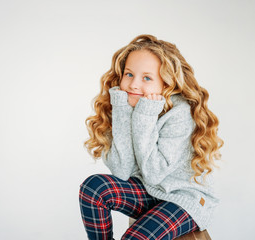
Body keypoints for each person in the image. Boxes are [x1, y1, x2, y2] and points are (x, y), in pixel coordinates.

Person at [79, 34, 223, 240]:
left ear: (167, 83)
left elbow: (154, 173)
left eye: (147, 78)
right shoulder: (124, 106)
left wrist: (145, 115)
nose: (133, 85)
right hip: (148, 192)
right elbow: (121, 170)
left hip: (182, 198)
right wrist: (122, 110)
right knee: (94, 188)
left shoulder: (180, 113)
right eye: (129, 74)